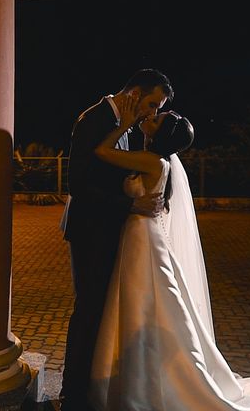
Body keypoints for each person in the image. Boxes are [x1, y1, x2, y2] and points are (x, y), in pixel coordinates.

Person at [89, 96, 250, 410]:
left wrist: (126, 124)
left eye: (156, 119)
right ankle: (141, 375)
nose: (150, 116)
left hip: (143, 237)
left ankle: (143, 383)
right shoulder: (156, 158)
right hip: (142, 233)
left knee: (141, 300)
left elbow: (101, 152)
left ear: (161, 135)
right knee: (150, 300)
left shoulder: (152, 161)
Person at [59, 69, 174, 411]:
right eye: (152, 103)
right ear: (135, 93)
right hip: (90, 230)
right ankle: (73, 392)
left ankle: (89, 382)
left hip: (107, 228)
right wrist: (129, 203)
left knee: (98, 310)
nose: (153, 112)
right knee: (88, 309)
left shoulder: (120, 123)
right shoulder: (94, 119)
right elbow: (77, 185)